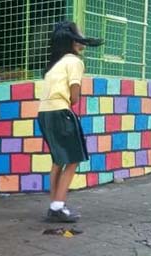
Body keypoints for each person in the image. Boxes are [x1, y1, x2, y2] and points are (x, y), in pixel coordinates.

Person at [38, 20, 101, 224]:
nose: (82, 37)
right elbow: (74, 97)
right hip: (60, 112)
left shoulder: (55, 65)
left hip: (44, 113)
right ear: (73, 41)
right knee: (73, 158)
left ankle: (54, 205)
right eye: (79, 34)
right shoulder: (74, 61)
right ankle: (58, 207)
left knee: (58, 159)